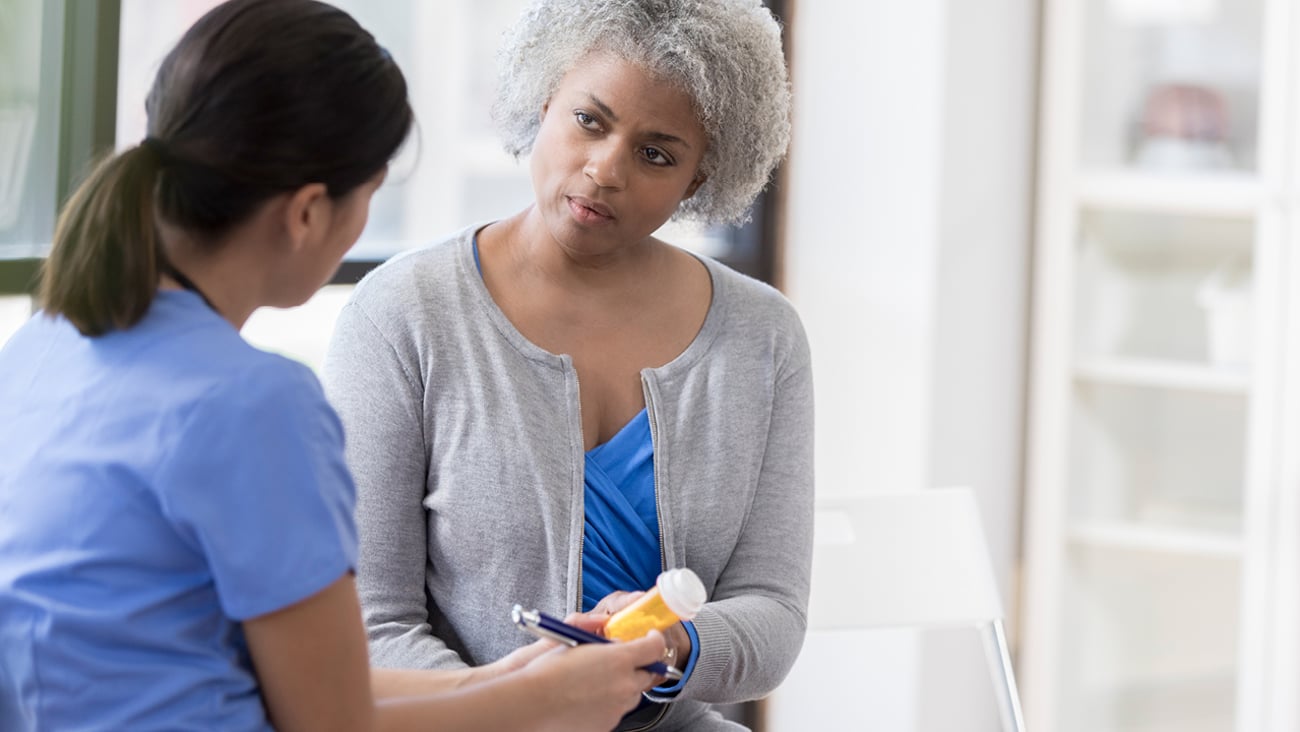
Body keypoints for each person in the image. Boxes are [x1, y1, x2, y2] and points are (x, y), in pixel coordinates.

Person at [0, 1, 668, 730]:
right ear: (308, 212)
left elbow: (284, 680)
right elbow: (331, 722)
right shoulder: (253, 403)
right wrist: (548, 702)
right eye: (370, 196)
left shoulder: (44, 347)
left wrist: (510, 679)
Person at [322, 0, 813, 729]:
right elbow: (369, 625)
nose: (605, 169)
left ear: (699, 176)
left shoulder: (762, 335)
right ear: (545, 97)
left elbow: (772, 610)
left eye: (656, 154)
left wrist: (679, 643)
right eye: (590, 119)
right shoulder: (402, 314)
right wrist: (515, 707)